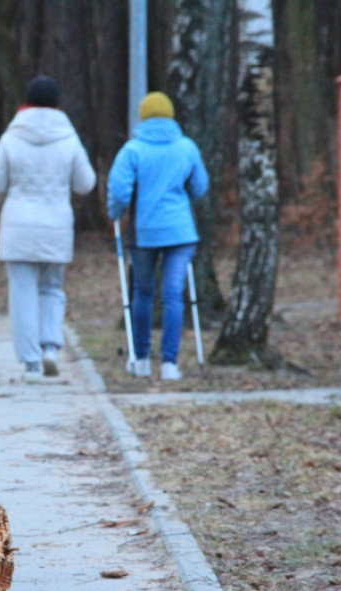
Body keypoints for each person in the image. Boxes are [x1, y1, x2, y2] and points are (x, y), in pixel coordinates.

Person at [0, 75, 96, 382]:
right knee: (52, 290)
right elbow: (86, 184)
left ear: (27, 101)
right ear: (57, 103)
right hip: (56, 227)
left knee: (22, 295)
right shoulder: (69, 138)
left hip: (18, 228)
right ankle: (50, 348)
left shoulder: (11, 137)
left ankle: (31, 364)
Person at [107, 91, 209, 381]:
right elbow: (200, 187)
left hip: (145, 232)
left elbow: (119, 189)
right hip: (180, 232)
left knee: (142, 293)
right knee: (173, 295)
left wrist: (115, 211)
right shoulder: (187, 147)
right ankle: (169, 364)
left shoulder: (133, 150)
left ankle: (140, 360)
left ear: (143, 117)